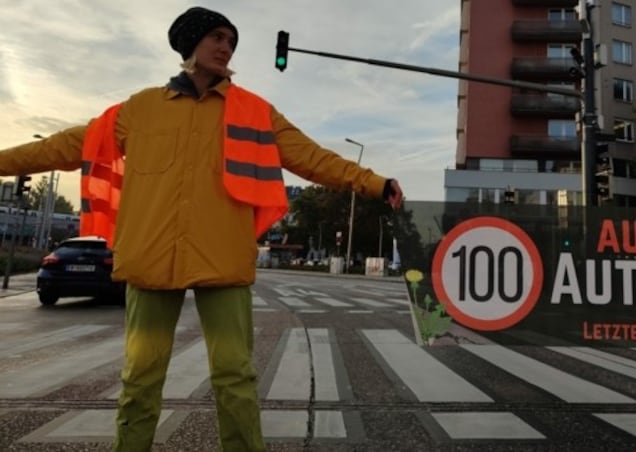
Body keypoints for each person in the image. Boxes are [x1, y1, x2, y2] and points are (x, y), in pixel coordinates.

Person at [0, 6, 403, 451]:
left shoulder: (254, 111)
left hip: (224, 260)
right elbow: (66, 145)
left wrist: (372, 182)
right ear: (190, 45)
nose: (226, 46)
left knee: (235, 378)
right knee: (139, 379)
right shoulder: (140, 109)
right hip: (151, 261)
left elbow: (311, 157)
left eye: (231, 40)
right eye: (216, 37)